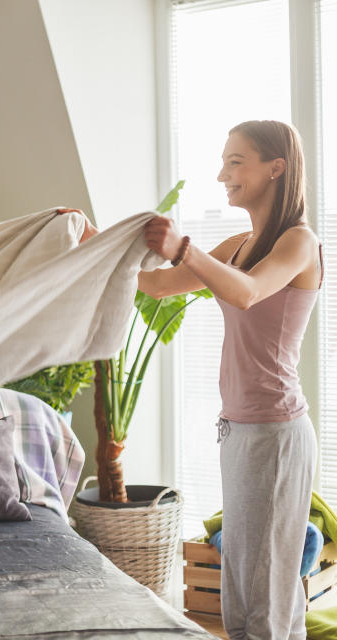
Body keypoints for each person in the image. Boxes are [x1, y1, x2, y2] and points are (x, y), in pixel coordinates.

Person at [140, 120, 318, 639]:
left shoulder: (299, 243)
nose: (223, 174)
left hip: (276, 436)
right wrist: (88, 243)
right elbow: (157, 285)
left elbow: (247, 293)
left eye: (235, 161)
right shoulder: (241, 243)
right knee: (245, 589)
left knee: (265, 596)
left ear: (275, 168)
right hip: (239, 432)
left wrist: (184, 248)